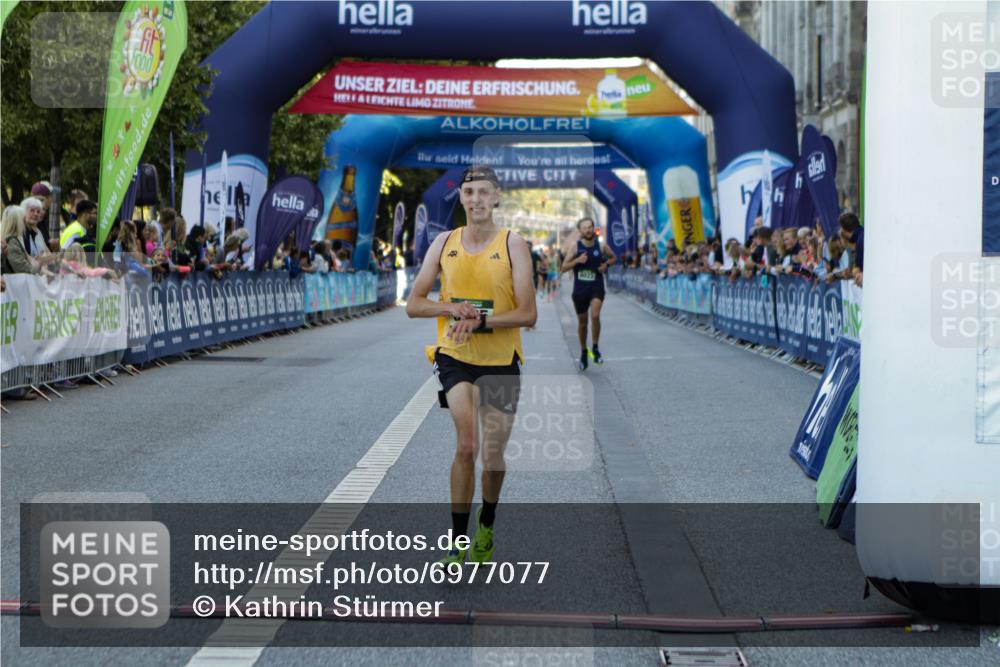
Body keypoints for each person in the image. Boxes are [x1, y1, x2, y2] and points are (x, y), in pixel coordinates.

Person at [406, 165, 536, 567]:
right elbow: (414, 304)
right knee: (466, 445)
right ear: (460, 198)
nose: (475, 199)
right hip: (455, 355)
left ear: (496, 197)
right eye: (469, 192)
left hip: (501, 359)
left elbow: (528, 314)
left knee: (493, 458)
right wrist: (451, 308)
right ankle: (457, 541)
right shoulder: (444, 242)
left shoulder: (513, 243)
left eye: (483, 192)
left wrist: (482, 321)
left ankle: (487, 523)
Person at [562, 217, 616, 370]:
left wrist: (606, 265)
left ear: (593, 228)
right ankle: (584, 352)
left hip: (596, 287)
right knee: (583, 322)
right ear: (580, 230)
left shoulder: (601, 246)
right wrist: (577, 261)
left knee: (595, 315)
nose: (588, 230)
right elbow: (564, 267)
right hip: (580, 290)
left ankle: (595, 348)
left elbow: (613, 258)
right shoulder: (576, 247)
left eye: (590, 227)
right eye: (585, 227)